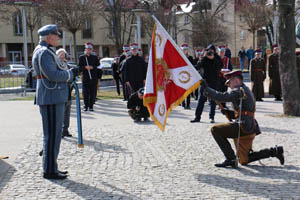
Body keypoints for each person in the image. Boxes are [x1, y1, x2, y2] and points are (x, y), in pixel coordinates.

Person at [200, 70, 284, 168]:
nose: (228, 86)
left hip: (244, 125)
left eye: (229, 83)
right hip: (248, 125)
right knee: (244, 160)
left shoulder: (239, 90)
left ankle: (230, 158)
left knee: (215, 130)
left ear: (235, 80)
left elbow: (222, 97)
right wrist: (229, 113)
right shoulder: (243, 90)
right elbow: (244, 111)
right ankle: (274, 151)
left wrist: (207, 89)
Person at [32, 24, 79, 179]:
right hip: (51, 96)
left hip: (52, 96)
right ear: (48, 37)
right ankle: (49, 169)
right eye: (56, 35)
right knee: (52, 135)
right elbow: (52, 75)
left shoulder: (46, 51)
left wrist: (68, 71)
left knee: (54, 134)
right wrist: (70, 74)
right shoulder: (44, 52)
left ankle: (52, 166)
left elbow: (56, 71)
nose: (58, 37)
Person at [190, 44, 222, 123]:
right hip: (205, 82)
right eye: (209, 51)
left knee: (212, 101)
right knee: (201, 100)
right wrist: (204, 57)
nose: (210, 52)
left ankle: (212, 117)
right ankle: (197, 117)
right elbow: (198, 66)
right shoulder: (204, 58)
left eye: (212, 51)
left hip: (214, 82)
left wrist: (213, 58)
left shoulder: (217, 57)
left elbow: (220, 65)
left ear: (214, 51)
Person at [56, 48, 73, 138]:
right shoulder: (55, 65)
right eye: (60, 54)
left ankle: (65, 129)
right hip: (59, 91)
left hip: (68, 90)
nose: (62, 56)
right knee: (60, 112)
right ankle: (59, 131)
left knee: (67, 112)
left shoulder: (68, 65)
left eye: (63, 54)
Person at [78, 42, 100, 111]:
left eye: (90, 49)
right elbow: (79, 67)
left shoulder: (95, 57)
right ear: (85, 49)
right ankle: (85, 105)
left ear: (91, 50)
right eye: (87, 49)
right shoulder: (82, 57)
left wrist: (92, 67)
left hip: (93, 77)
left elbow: (99, 66)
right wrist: (85, 67)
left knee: (92, 92)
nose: (88, 50)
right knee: (85, 92)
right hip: (85, 77)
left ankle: (91, 106)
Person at [181, 44, 194, 109]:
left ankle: (188, 104)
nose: (185, 51)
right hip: (181, 75)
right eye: (183, 50)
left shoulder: (190, 58)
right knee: (182, 90)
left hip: (189, 75)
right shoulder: (179, 57)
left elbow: (193, 66)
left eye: (186, 49)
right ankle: (183, 103)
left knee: (188, 90)